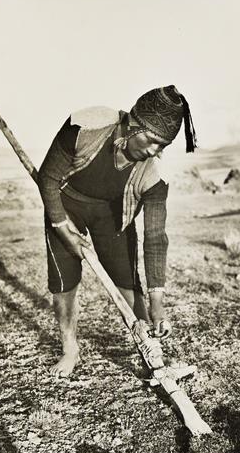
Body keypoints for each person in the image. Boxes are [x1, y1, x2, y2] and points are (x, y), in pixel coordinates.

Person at [38, 85, 197, 377]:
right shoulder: (87, 126)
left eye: (162, 146)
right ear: (133, 125)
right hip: (66, 204)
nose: (155, 152)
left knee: (126, 282)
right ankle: (70, 350)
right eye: (152, 141)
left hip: (113, 215)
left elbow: (155, 239)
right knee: (64, 280)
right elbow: (47, 179)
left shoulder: (154, 175)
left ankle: (152, 355)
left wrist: (157, 303)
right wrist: (63, 229)